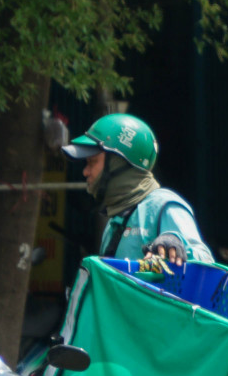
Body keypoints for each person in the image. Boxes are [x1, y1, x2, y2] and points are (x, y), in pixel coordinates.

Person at [62, 113, 212, 269]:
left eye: (92, 162)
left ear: (117, 162)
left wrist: (176, 242)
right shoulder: (114, 223)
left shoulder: (163, 206)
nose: (85, 172)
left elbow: (206, 264)